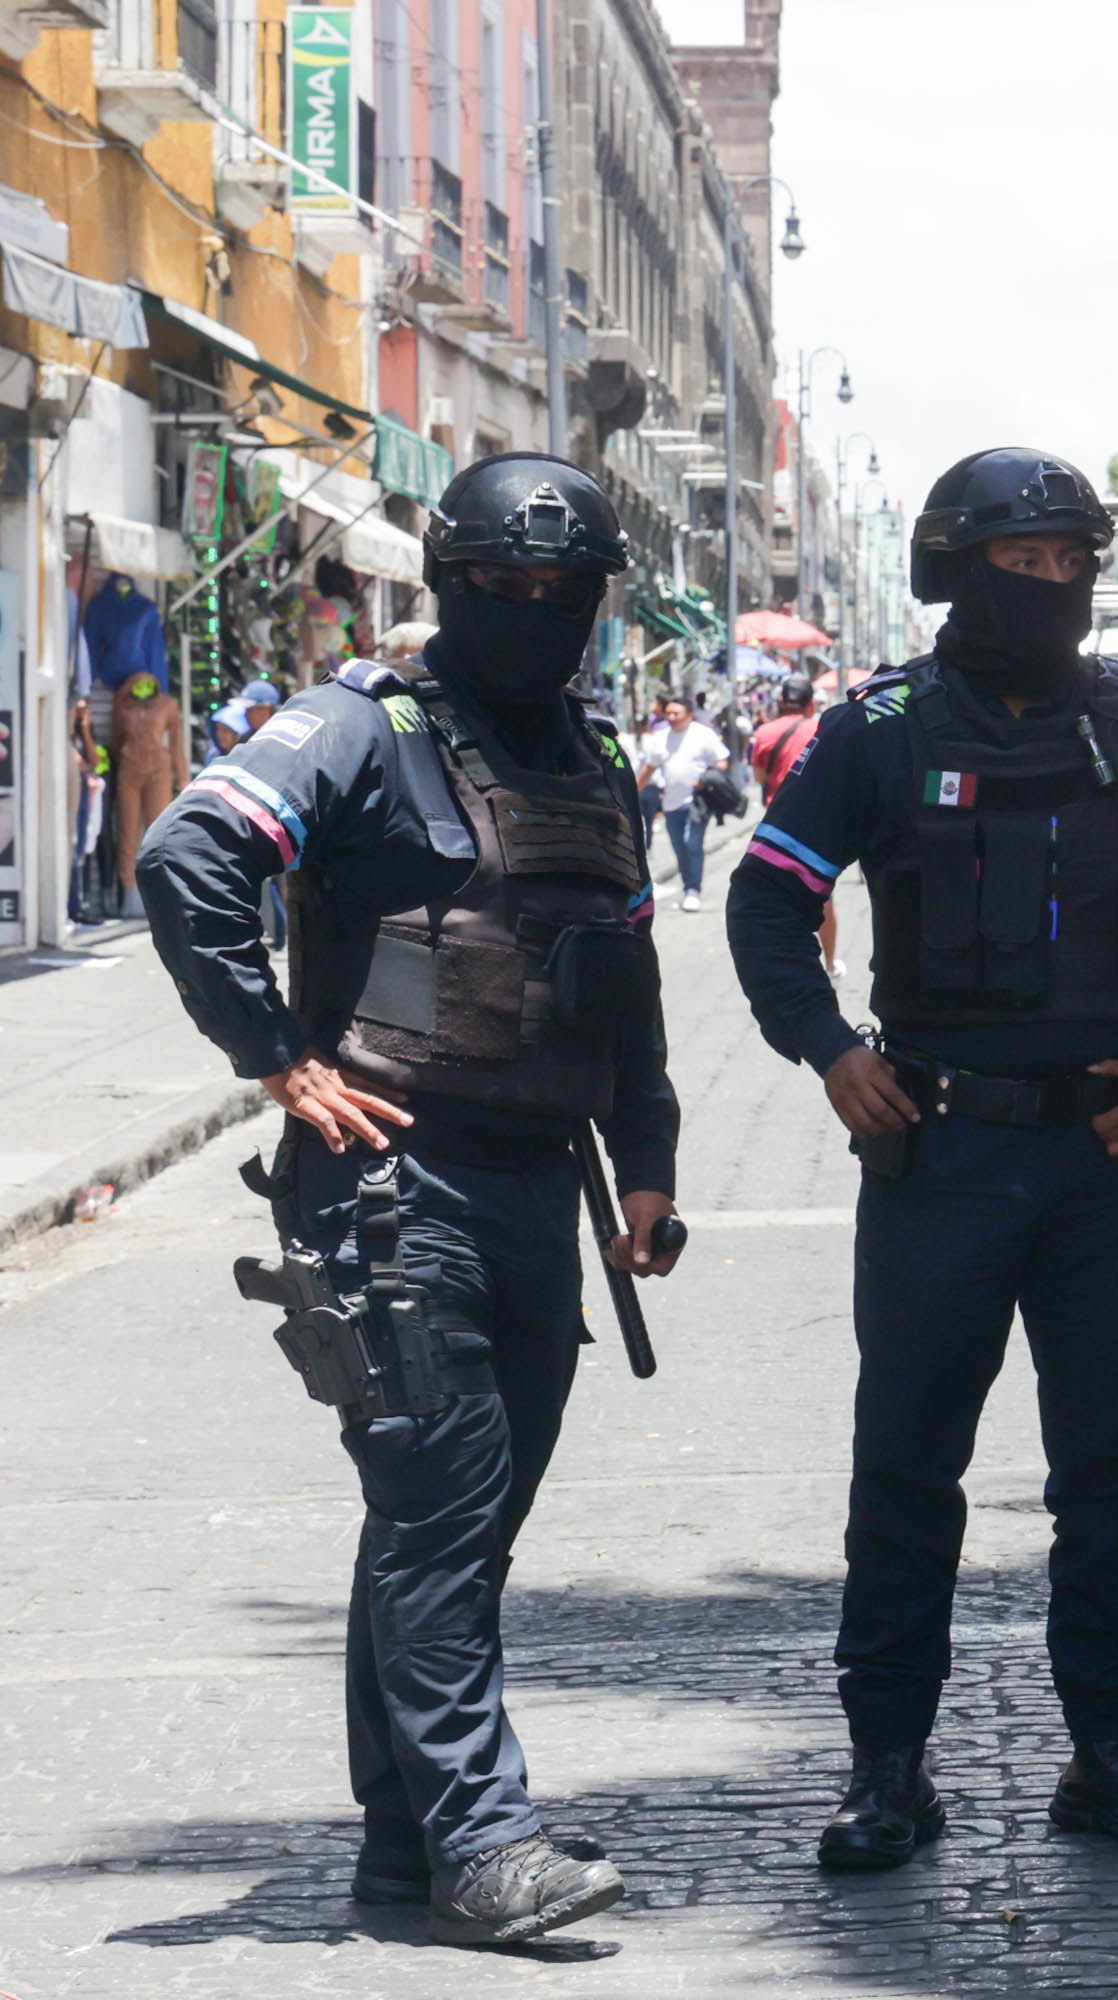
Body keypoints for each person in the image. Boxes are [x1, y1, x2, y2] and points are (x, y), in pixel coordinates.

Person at [134, 453, 684, 1947]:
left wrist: (650, 1160)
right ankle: (486, 1839)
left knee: (464, 1526)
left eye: (560, 590)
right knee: (436, 1513)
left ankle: (405, 1847)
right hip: (391, 1190)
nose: (532, 609)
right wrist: (276, 1060)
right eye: (502, 583)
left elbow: (623, 983)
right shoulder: (357, 729)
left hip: (537, 1190)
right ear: (451, 583)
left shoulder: (592, 756)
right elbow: (188, 854)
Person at [725, 448, 1118, 1870]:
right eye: (1016, 563)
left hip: (1106, 1158)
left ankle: (1109, 1761)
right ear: (954, 570)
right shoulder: (880, 733)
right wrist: (828, 1051)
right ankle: (888, 1772)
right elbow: (768, 903)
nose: (1046, 587)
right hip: (939, 1155)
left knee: (1110, 1476)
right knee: (905, 1470)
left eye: (1068, 561)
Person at [750, 672, 839, 977]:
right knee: (822, 899)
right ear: (811, 703)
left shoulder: (764, 732)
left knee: (776, 902)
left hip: (774, 828)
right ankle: (828, 964)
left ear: (781, 702)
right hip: (816, 825)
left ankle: (781, 967)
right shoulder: (822, 727)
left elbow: (759, 778)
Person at [108, 667, 188, 920]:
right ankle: (129, 897)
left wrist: (183, 778)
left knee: (157, 833)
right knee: (127, 832)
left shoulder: (167, 705)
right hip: (129, 771)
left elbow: (176, 743)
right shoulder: (124, 707)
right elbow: (115, 740)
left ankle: (160, 897)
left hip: (158, 772)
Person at [637, 695, 729, 910]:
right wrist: (630, 791)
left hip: (698, 802)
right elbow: (648, 771)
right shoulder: (660, 738)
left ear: (689, 715)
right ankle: (689, 886)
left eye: (676, 713)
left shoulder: (703, 735)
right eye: (668, 713)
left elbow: (722, 762)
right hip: (670, 804)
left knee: (692, 843)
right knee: (679, 848)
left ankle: (693, 890)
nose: (671, 717)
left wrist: (706, 778)